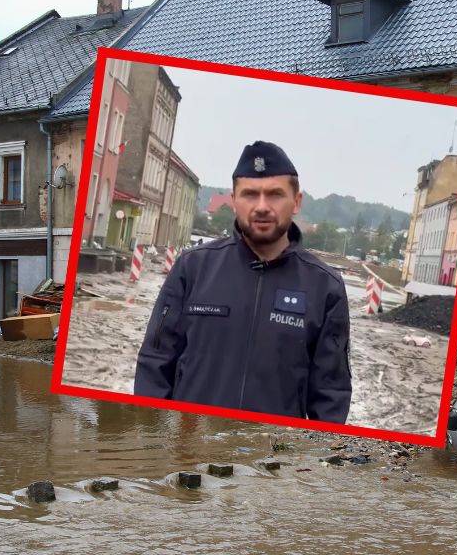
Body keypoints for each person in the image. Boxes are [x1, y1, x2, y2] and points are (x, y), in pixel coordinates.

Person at [134, 140, 352, 423]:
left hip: (272, 459)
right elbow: (154, 364)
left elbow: (331, 395)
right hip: (186, 452)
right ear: (234, 199)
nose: (262, 207)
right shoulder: (193, 268)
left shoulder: (325, 287)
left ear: (296, 202)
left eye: (275, 194)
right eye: (250, 194)